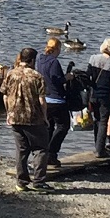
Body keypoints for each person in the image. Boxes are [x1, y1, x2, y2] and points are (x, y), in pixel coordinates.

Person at [1, 46, 49, 190]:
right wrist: (45, 117)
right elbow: (42, 100)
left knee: (21, 149)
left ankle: (21, 182)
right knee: (40, 149)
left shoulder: (10, 74)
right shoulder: (37, 76)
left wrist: (8, 112)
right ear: (33, 60)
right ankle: (39, 182)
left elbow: (4, 96)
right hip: (33, 118)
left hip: (14, 117)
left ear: (20, 58)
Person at [85, 39, 110, 158]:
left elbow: (87, 76)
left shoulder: (93, 58)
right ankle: (100, 150)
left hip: (92, 95)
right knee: (103, 122)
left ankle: (97, 146)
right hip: (105, 96)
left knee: (96, 120)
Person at [39, 39, 71, 172]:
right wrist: (68, 77)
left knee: (49, 127)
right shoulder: (54, 62)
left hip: (44, 99)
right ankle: (52, 153)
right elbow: (57, 80)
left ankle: (44, 154)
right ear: (57, 49)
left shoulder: (40, 59)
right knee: (63, 126)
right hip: (56, 100)